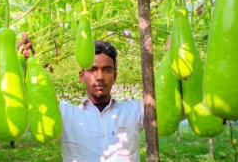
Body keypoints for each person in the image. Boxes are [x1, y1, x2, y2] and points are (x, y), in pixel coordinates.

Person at [17, 33, 144, 162]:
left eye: (107, 70)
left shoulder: (135, 110)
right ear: (81, 76)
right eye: (92, 70)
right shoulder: (63, 114)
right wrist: (24, 66)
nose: (99, 77)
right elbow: (33, 107)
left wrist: (167, 55)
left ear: (115, 76)